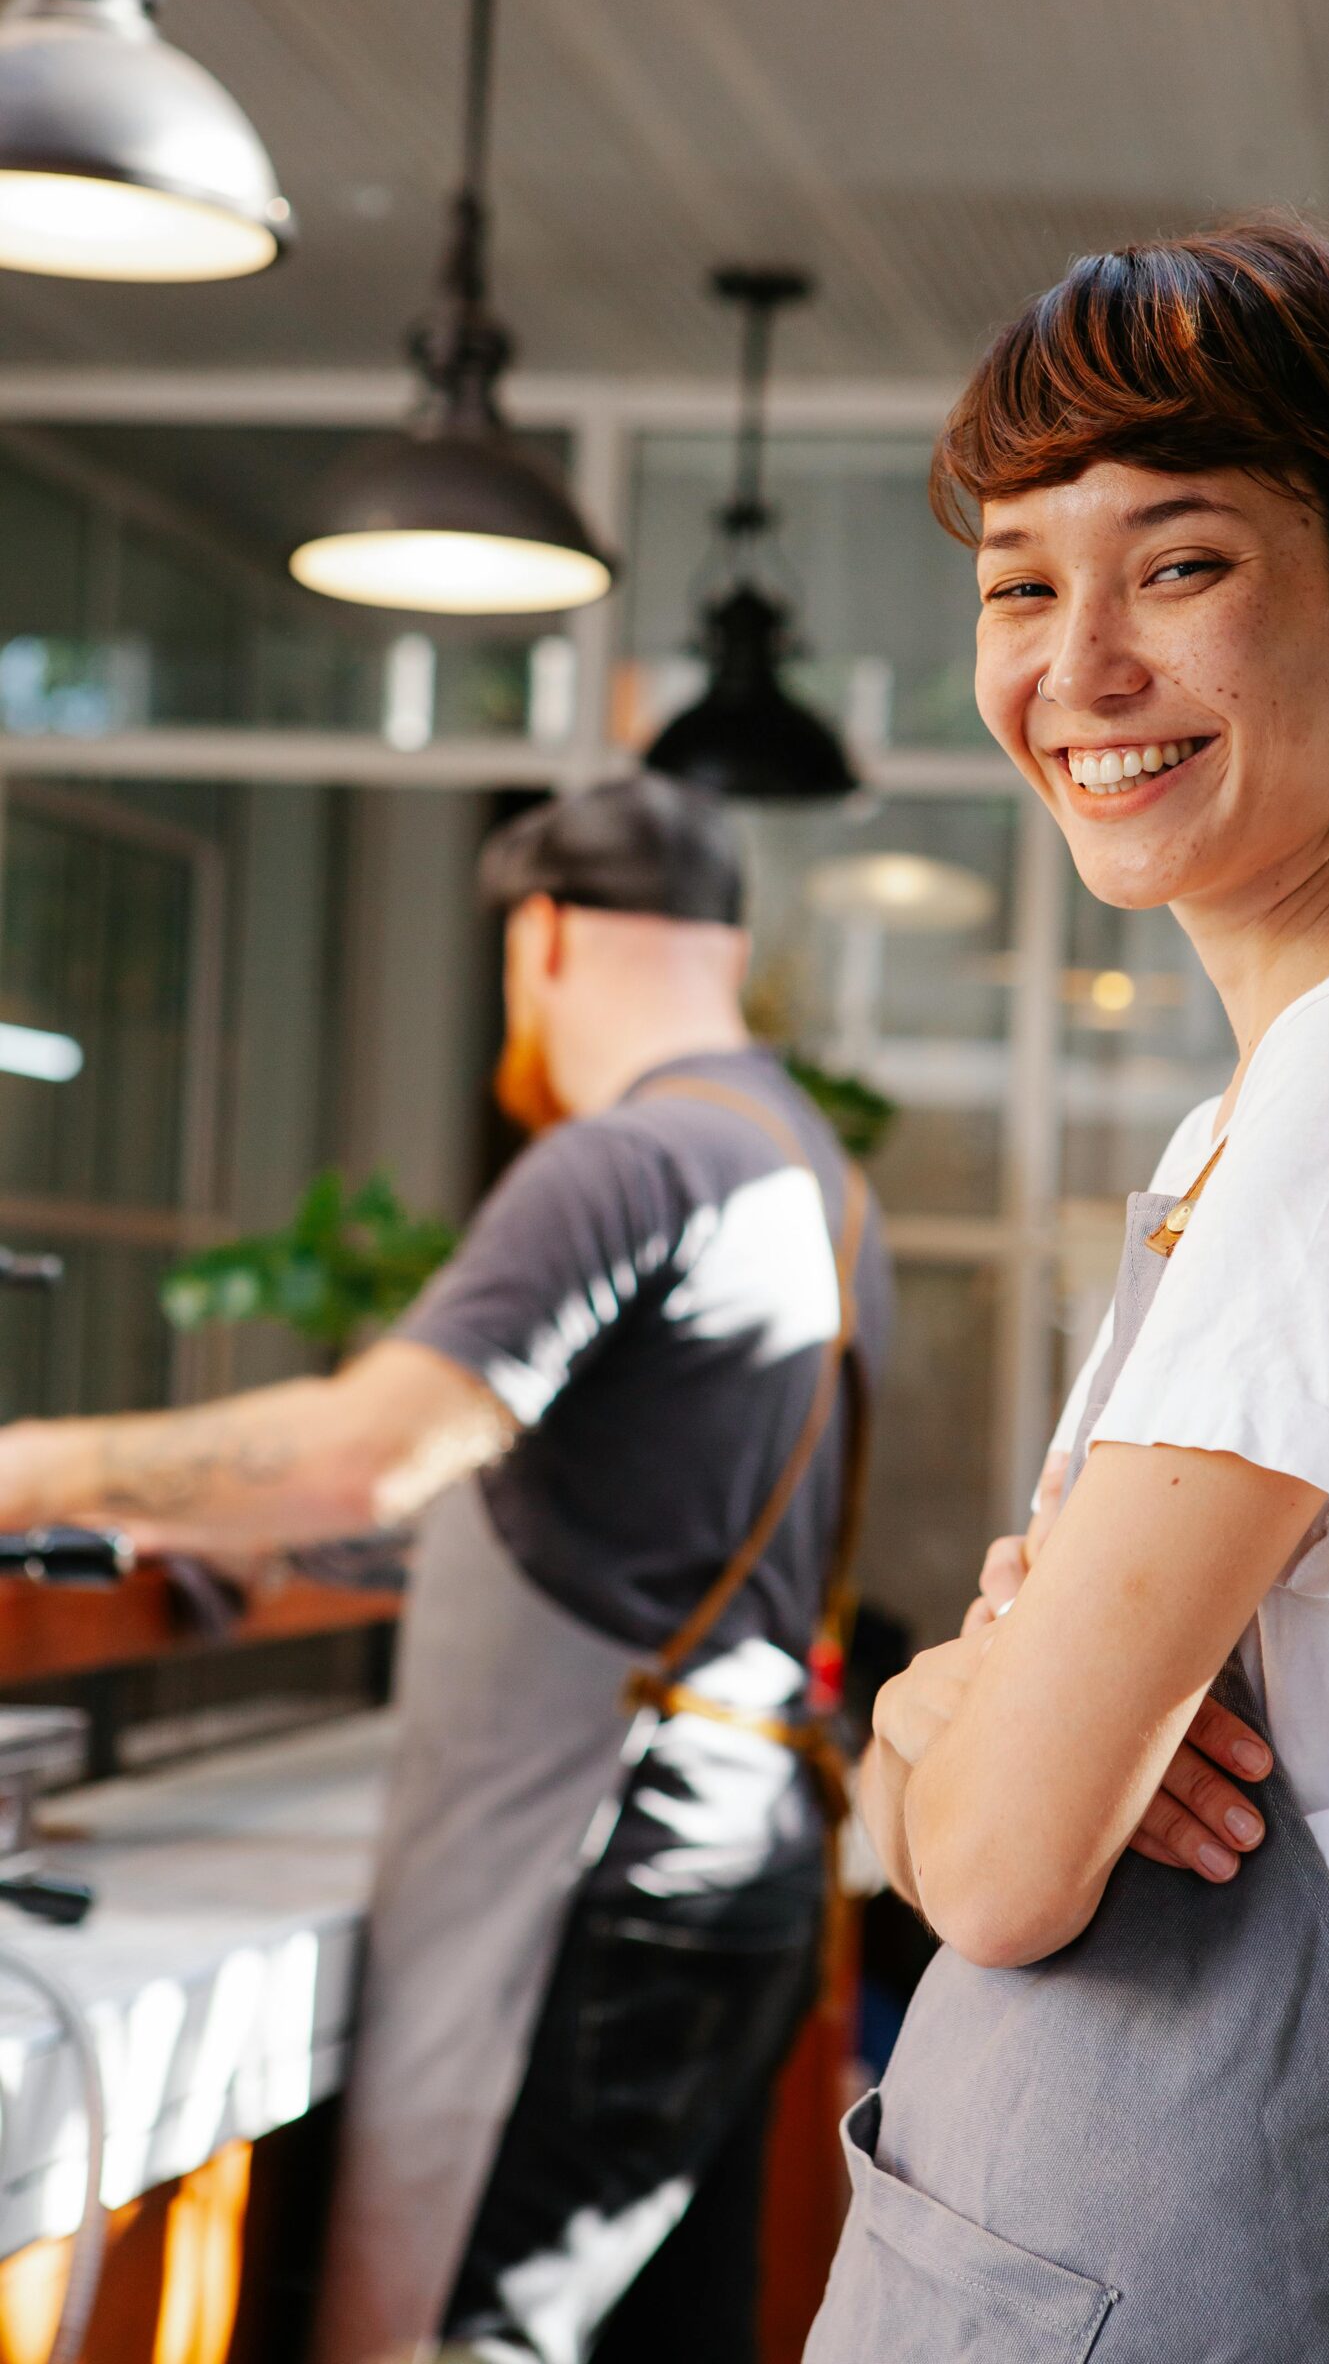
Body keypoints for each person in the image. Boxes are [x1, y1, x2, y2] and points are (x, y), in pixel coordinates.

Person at [808, 221, 1329, 2363]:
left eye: (1177, 564)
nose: (1077, 666)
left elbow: (1012, 1855)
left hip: (1211, 2246)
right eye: (1023, 584)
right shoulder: (1287, 1086)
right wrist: (939, 1721)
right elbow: (988, 1777)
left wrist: (936, 1742)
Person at [0, 773, 892, 2364]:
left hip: (600, 1880)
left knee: (475, 2342)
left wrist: (36, 1468)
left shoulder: (627, 1159)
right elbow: (585, 1509)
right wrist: (223, 1546)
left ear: (539, 936)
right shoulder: (812, 1167)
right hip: (742, 1865)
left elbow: (377, 1451)